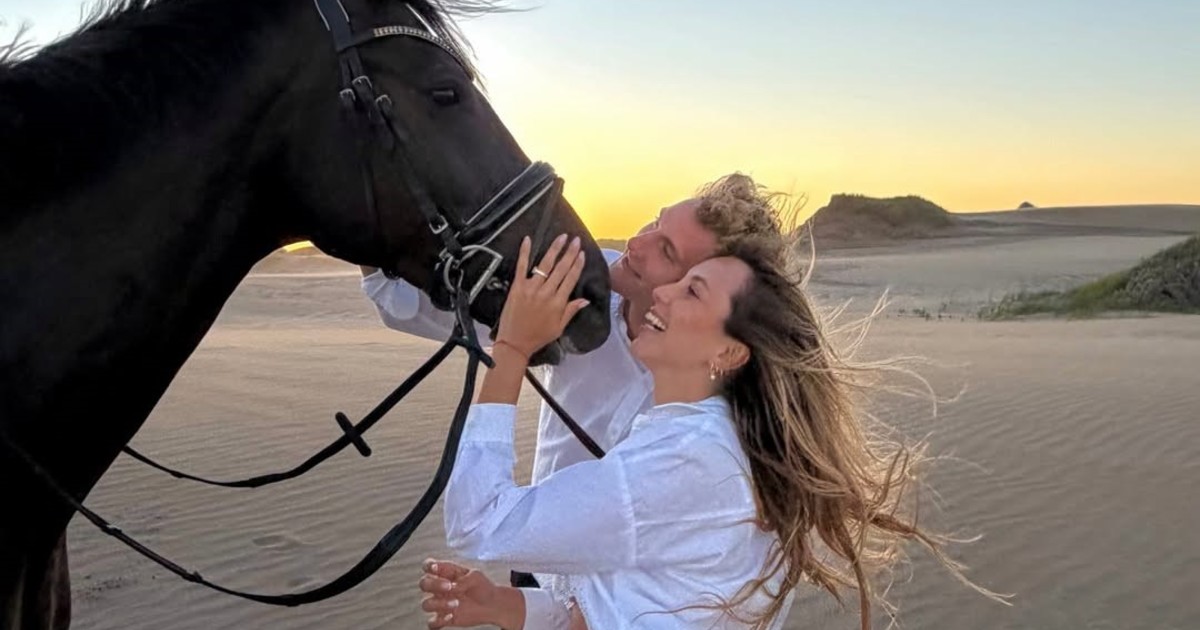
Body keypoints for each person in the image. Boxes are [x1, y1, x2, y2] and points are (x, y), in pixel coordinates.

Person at [415, 235, 1003, 629]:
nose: (662, 292)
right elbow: (631, 608)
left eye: (691, 288)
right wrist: (502, 605)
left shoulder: (686, 462)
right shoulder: (712, 444)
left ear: (729, 351)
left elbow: (479, 520)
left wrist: (513, 346)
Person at [360, 173, 789, 588]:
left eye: (667, 252)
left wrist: (513, 348)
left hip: (629, 593)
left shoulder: (720, 417)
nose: (636, 244)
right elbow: (408, 304)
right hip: (536, 567)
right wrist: (358, 219)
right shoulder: (573, 279)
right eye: (655, 222)